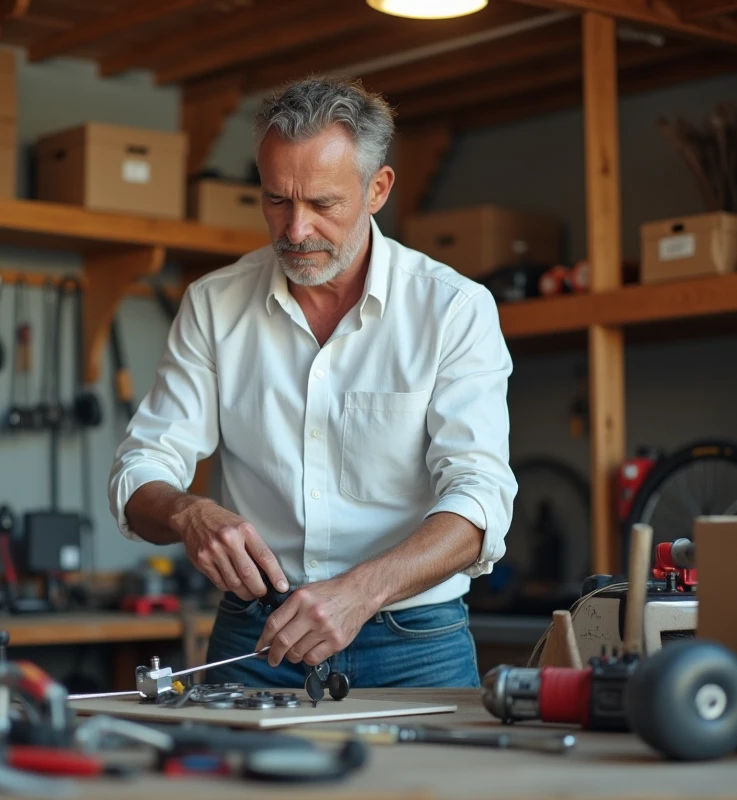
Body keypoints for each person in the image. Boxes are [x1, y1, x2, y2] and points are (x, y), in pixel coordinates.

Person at [109, 76, 516, 688]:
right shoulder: (212, 306)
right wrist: (189, 512)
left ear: (377, 189)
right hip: (257, 640)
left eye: (323, 205)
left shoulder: (455, 308)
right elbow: (140, 471)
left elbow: (481, 500)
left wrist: (361, 592)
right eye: (277, 199)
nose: (295, 230)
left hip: (414, 645)